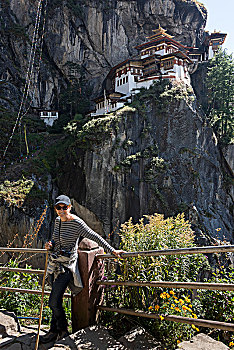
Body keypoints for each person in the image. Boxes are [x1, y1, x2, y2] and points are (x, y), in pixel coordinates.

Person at [40, 194, 124, 344]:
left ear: (70, 207)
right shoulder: (58, 221)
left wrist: (113, 251)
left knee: (53, 302)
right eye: (58, 208)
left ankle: (63, 330)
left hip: (66, 266)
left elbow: (95, 237)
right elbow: (54, 239)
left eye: (64, 207)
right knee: (56, 299)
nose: (61, 210)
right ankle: (54, 331)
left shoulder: (77, 223)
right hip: (54, 263)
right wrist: (50, 244)